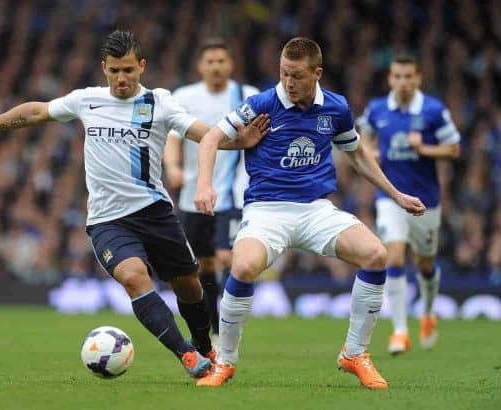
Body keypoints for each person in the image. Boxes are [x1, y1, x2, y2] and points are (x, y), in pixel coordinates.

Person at [0, 30, 269, 380]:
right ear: (104, 68)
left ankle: (203, 344)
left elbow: (202, 133)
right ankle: (188, 355)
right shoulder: (87, 100)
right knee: (134, 277)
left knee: (189, 285)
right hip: (107, 220)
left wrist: (240, 142)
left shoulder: (159, 103)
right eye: (115, 70)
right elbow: (36, 111)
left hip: (155, 212)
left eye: (128, 70)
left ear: (142, 67)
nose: (121, 78)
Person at [193, 37, 425, 389]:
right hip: (267, 210)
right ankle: (225, 362)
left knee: (376, 255)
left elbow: (358, 155)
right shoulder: (261, 103)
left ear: (317, 73)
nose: (288, 82)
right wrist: (204, 185)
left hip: (316, 209)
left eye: (297, 76)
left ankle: (354, 354)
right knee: (241, 267)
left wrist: (396, 194)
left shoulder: (336, 108)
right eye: (284, 73)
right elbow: (211, 138)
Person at [357, 56, 461, 355]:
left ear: (418, 79)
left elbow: (454, 149)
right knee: (396, 256)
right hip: (391, 197)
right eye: (397, 76)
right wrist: (371, 152)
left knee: (425, 263)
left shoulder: (433, 110)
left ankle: (427, 313)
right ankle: (400, 331)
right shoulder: (377, 109)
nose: (402, 82)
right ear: (390, 79)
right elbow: (363, 137)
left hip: (426, 200)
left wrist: (424, 148)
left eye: (408, 77)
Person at [163, 37, 260, 340]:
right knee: (202, 265)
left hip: (234, 193)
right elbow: (172, 137)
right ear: (200, 66)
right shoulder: (185, 96)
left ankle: (231, 327)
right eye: (210, 61)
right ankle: (215, 331)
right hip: (196, 195)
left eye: (221, 61)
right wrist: (173, 167)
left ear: (231, 65)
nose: (216, 67)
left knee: (226, 258)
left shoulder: (247, 96)